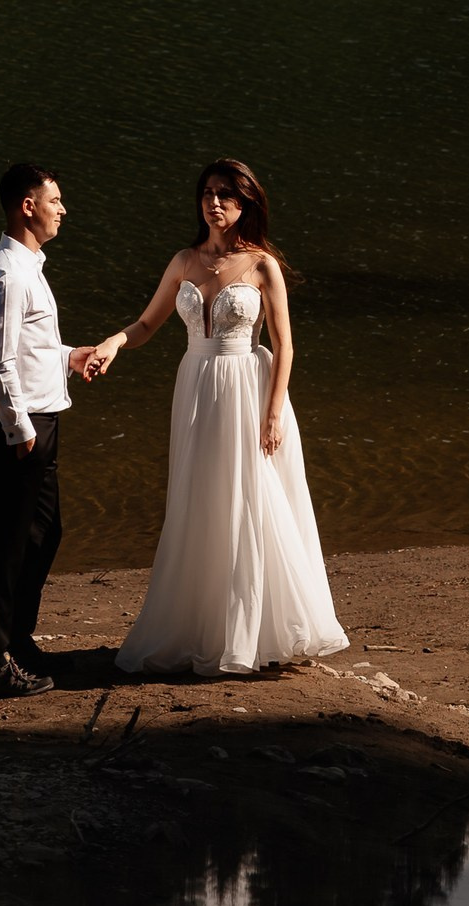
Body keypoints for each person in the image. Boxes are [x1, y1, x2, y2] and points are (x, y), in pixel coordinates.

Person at [89, 159, 349, 674]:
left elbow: (285, 345)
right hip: (195, 385)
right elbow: (146, 323)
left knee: (250, 501)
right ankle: (197, 625)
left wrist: (273, 415)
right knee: (199, 499)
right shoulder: (184, 261)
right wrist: (115, 342)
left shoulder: (261, 266)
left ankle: (251, 633)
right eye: (207, 193)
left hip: (246, 390)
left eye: (226, 195)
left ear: (245, 203)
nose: (214, 203)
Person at [0, 161, 101, 696]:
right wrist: (20, 431)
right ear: (29, 206)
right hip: (19, 432)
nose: (63, 210)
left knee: (45, 535)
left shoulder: (29, 268)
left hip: (40, 423)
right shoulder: (9, 276)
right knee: (7, 548)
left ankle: (18, 640)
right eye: (56, 201)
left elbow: (33, 350)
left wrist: (70, 357)